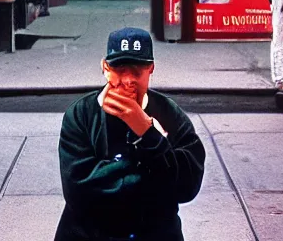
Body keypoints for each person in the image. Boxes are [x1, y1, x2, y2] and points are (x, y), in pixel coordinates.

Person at [54, 27, 206, 241]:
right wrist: (150, 172)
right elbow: (78, 192)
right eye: (119, 69)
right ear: (105, 68)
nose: (128, 80)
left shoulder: (169, 113)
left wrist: (148, 132)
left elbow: (187, 186)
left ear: (151, 69)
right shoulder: (81, 114)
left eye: (136, 71)